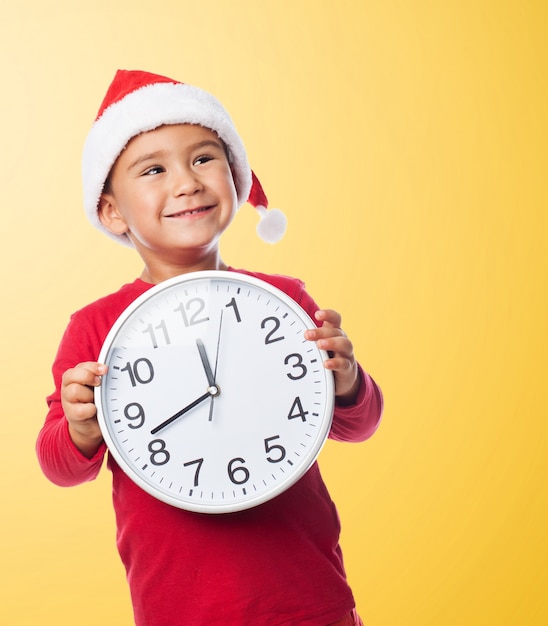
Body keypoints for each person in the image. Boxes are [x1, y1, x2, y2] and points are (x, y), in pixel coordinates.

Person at [36, 69, 383, 626]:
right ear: (112, 211)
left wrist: (347, 380)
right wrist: (79, 428)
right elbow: (60, 465)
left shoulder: (285, 300)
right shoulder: (96, 327)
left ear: (237, 178)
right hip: (182, 609)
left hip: (309, 600)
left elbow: (355, 424)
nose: (188, 182)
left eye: (203, 158)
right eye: (153, 170)